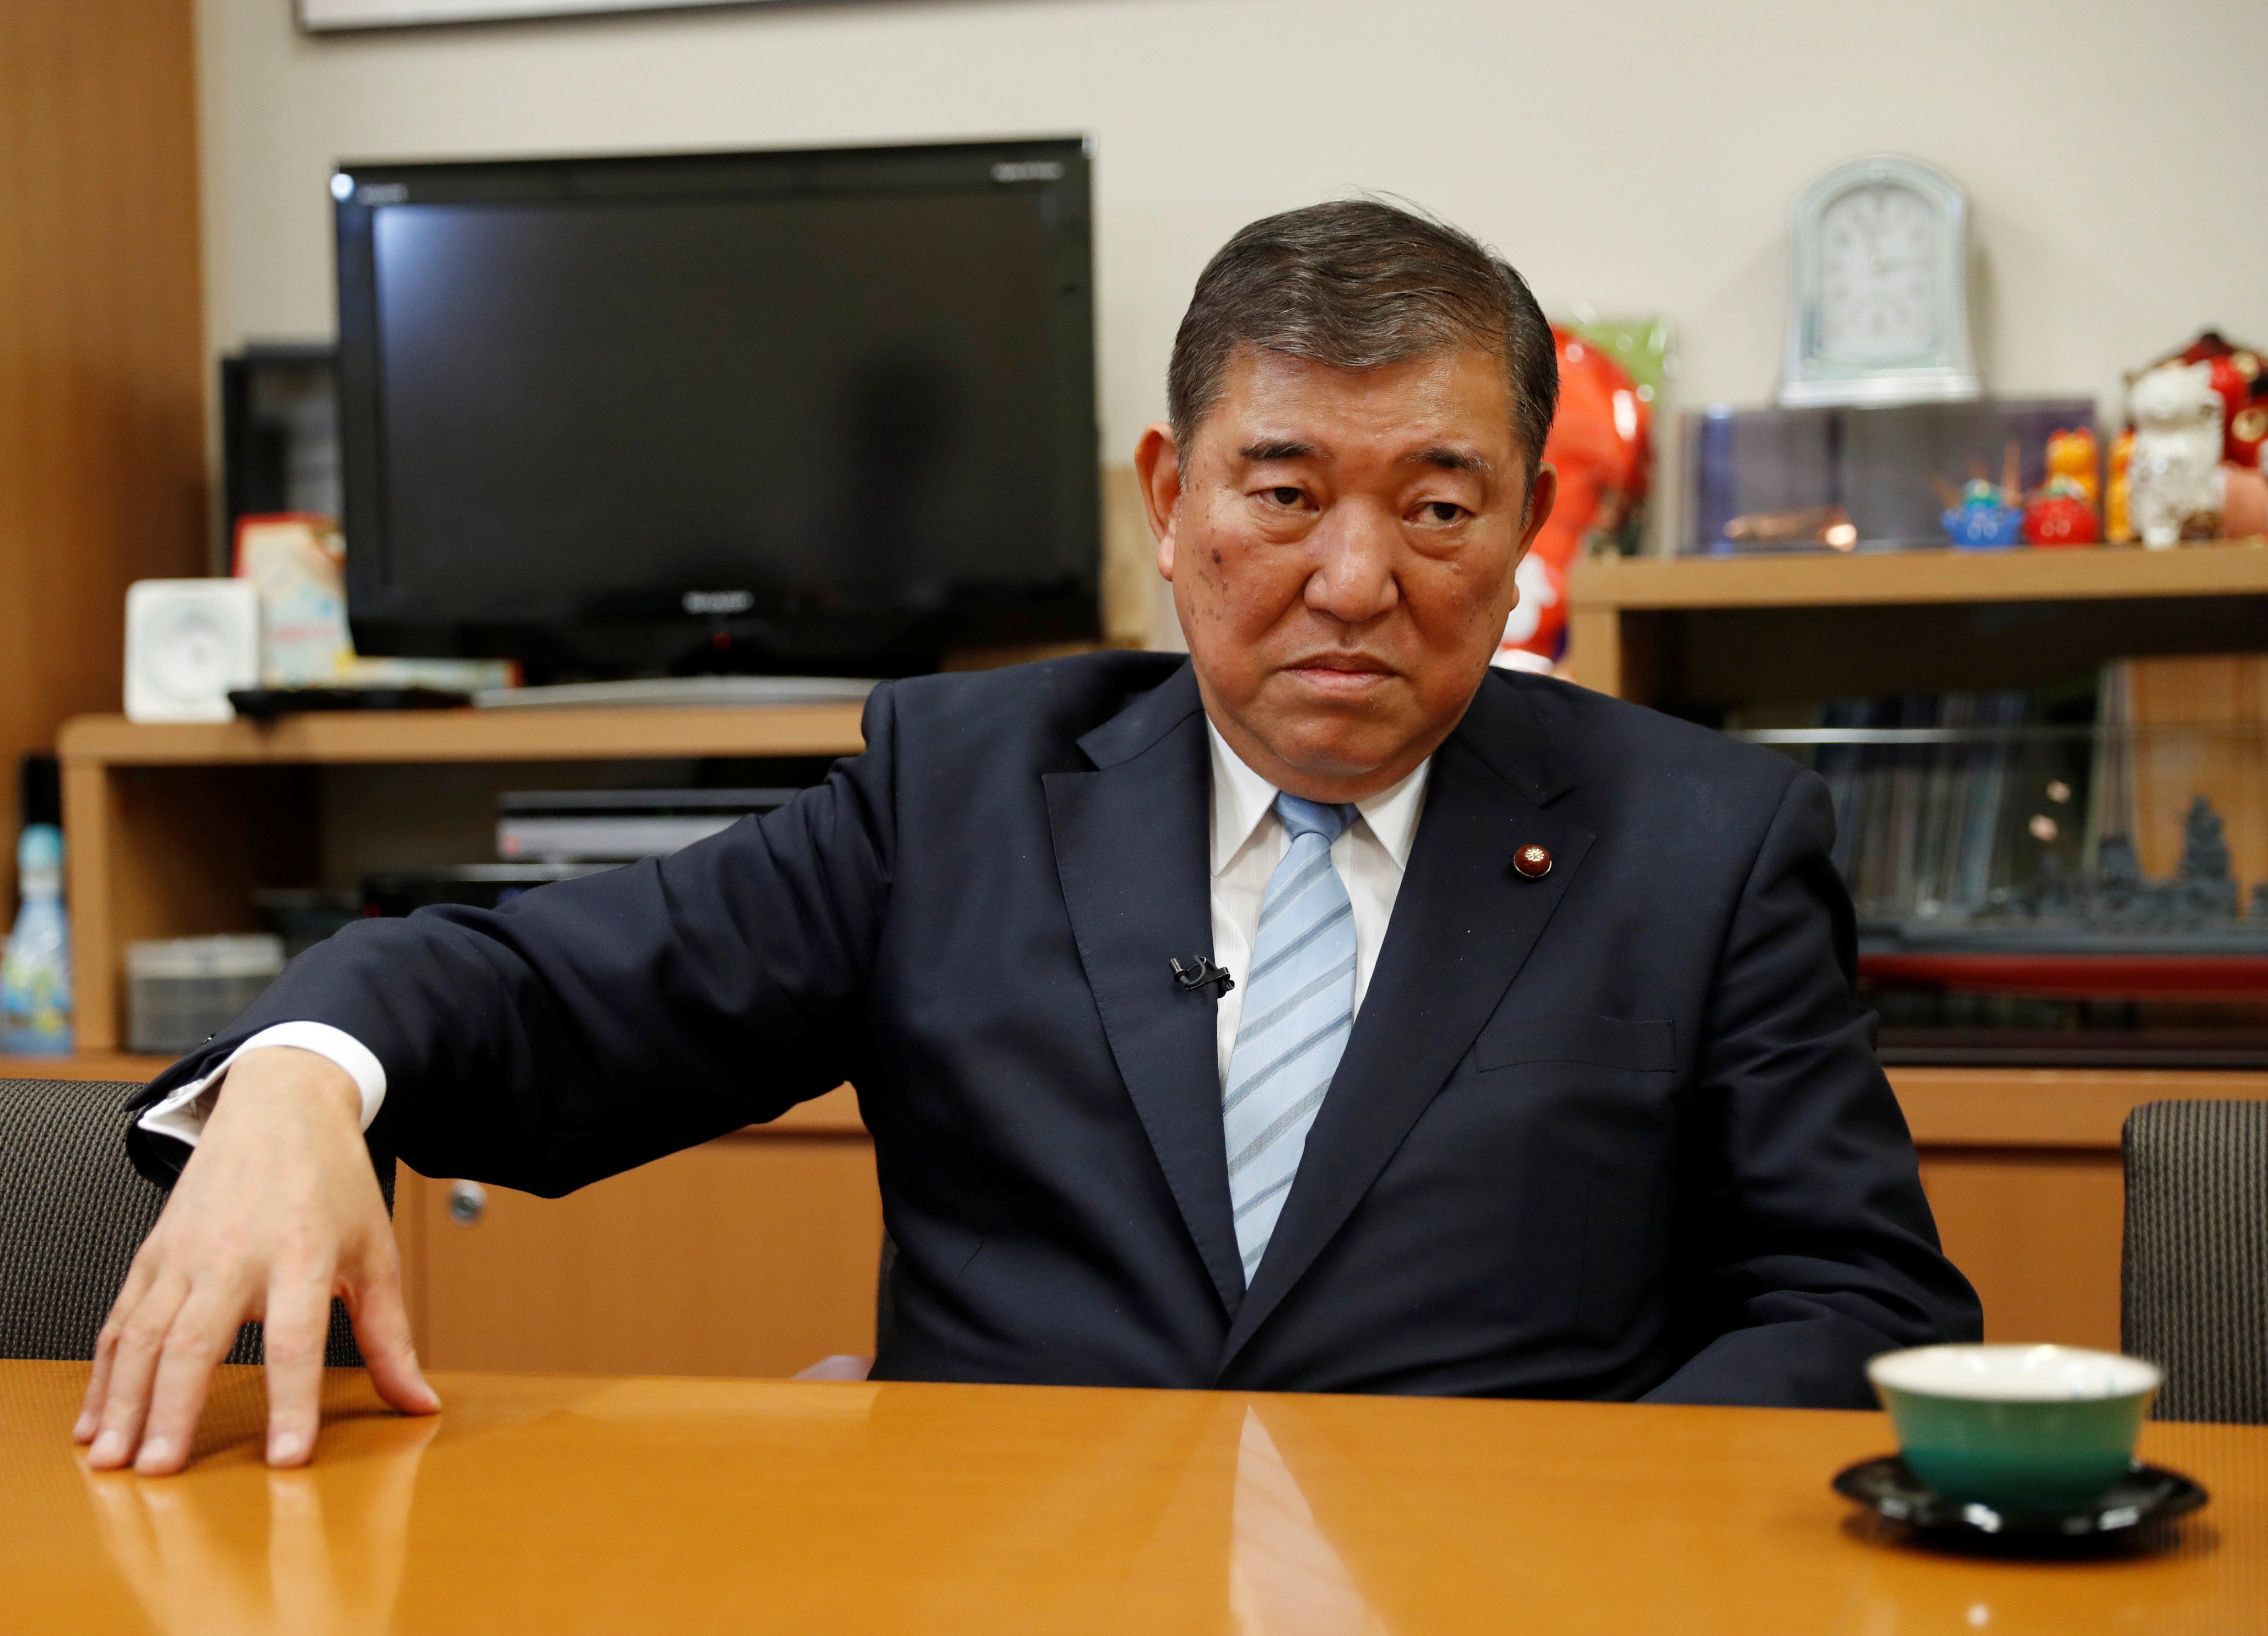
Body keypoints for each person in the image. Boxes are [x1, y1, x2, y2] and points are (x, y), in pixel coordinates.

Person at [79, 200, 1980, 1475]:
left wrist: (1567, 1523)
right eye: (1285, 488)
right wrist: (305, 1084)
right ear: (1171, 498)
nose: (1349, 578)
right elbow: (555, 997)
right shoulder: (963, 791)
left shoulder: (1706, 839)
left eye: (1438, 505)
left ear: (1522, 533)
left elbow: (1860, 1301)